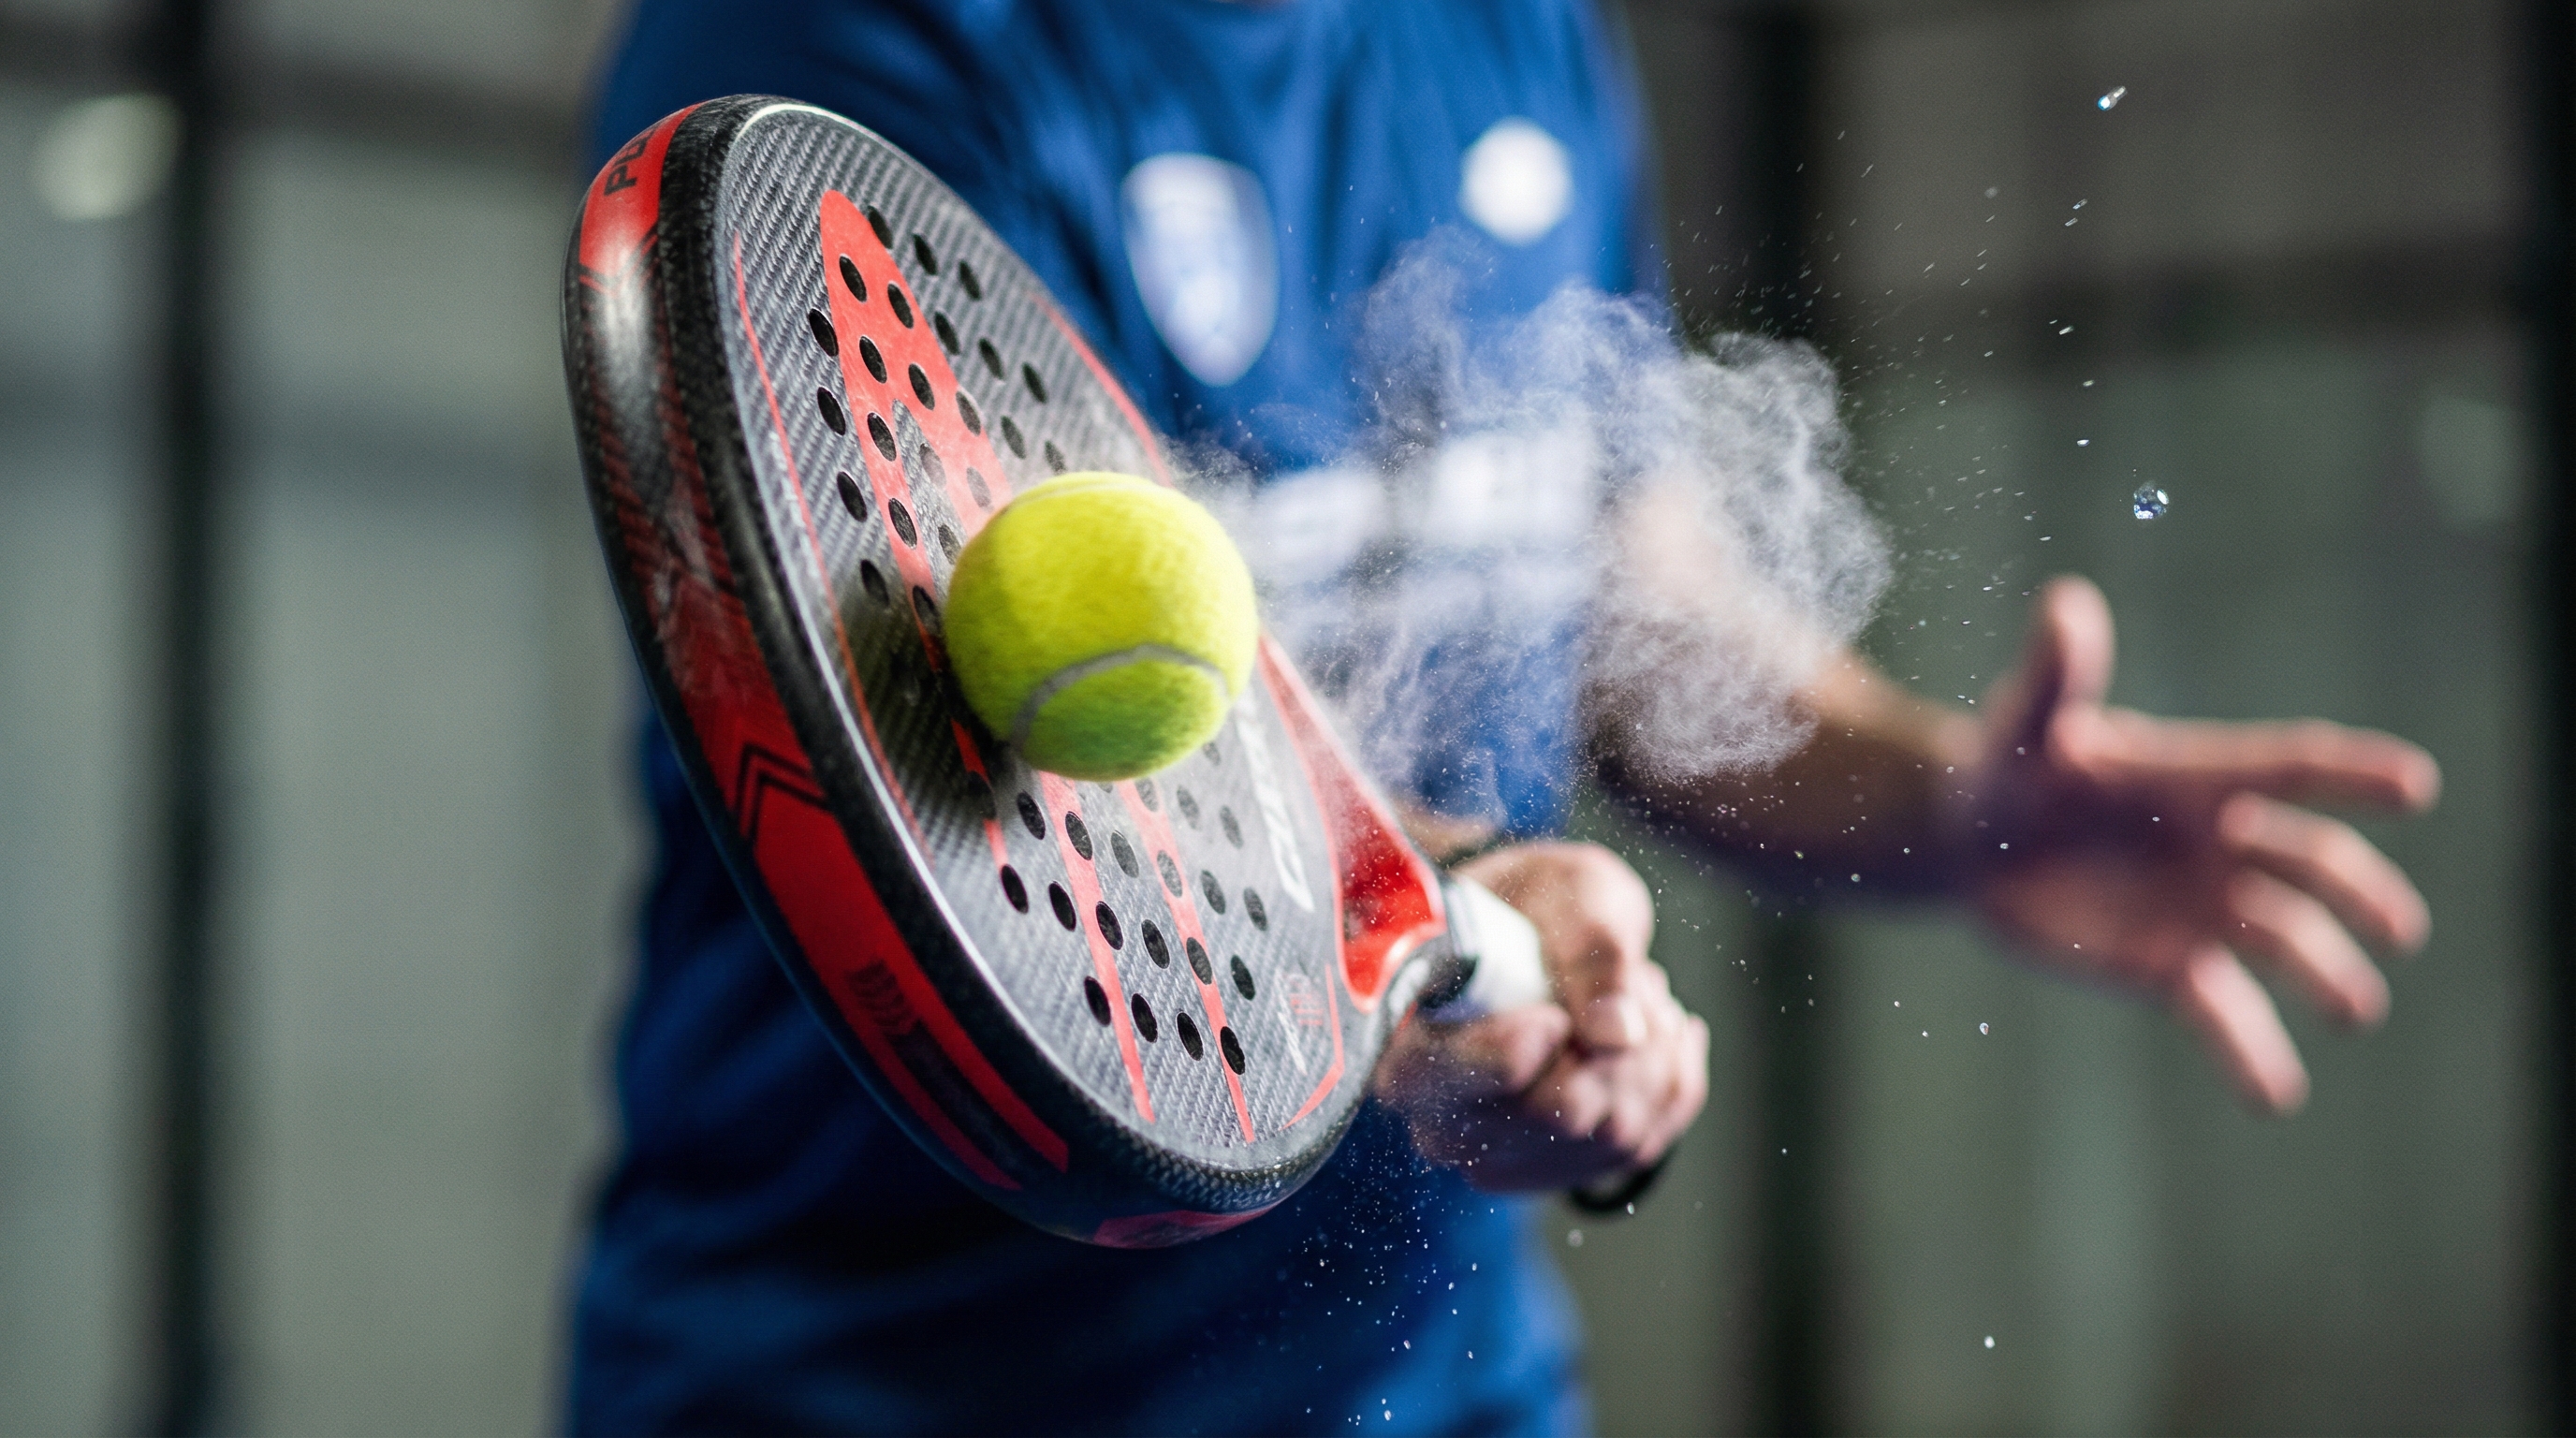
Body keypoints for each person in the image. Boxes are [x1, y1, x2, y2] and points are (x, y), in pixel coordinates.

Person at [569, 1, 2438, 1433]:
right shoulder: (837, 47)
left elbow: (1637, 611)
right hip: (874, 1377)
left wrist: (1941, 804)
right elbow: (1028, 781)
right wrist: (1446, 914)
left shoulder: (1510, 30)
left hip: (1432, 1381)